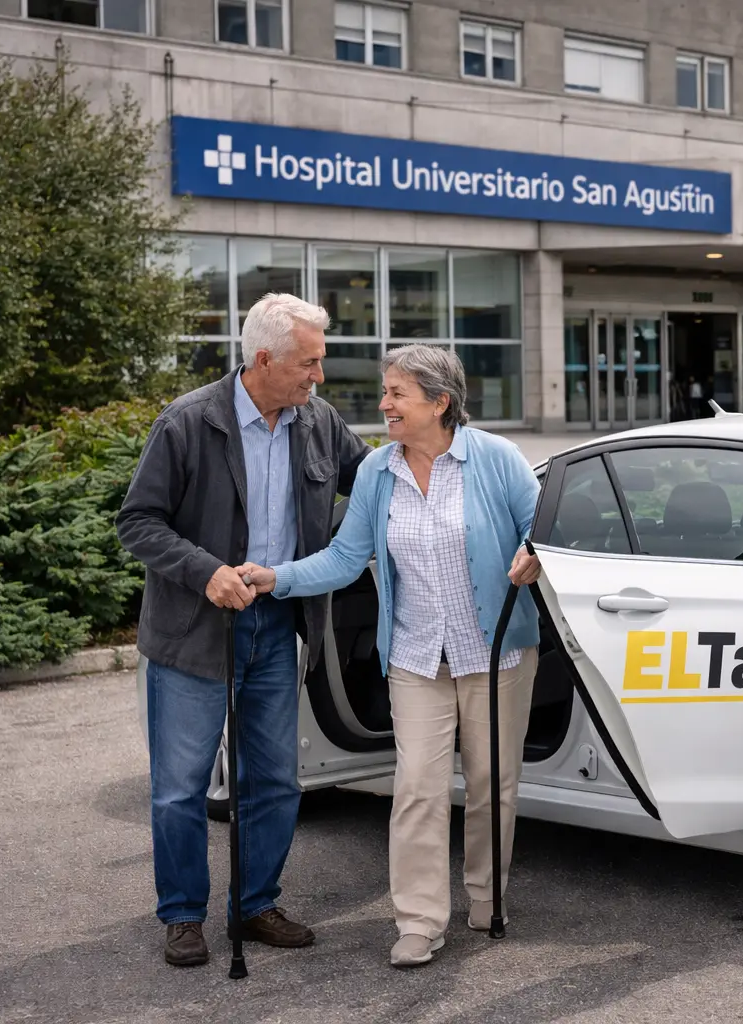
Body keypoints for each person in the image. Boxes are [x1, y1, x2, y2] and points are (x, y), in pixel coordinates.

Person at [238, 344, 543, 969]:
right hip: (413, 655)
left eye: (397, 394)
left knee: (492, 786)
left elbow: (548, 530)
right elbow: (347, 558)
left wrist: (537, 556)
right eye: (386, 392)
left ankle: (488, 899)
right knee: (417, 789)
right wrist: (277, 577)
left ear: (441, 402)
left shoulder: (496, 460)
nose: (384, 405)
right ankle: (419, 921)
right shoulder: (380, 470)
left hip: (493, 655)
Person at [116, 293, 371, 967]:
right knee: (180, 786)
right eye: (309, 363)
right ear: (265, 359)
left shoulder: (318, 423)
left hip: (277, 628)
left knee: (276, 782)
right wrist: (205, 571)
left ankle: (255, 905)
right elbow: (138, 522)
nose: (318, 378)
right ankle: (183, 916)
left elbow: (375, 482)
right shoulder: (188, 422)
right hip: (193, 633)